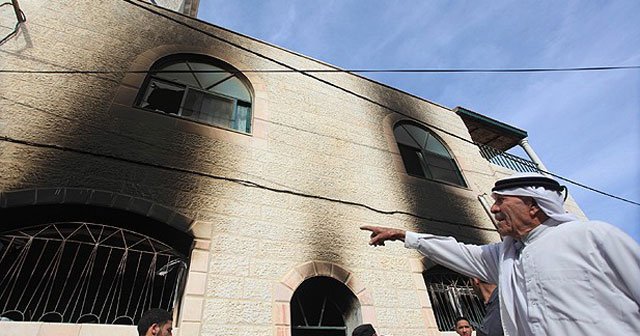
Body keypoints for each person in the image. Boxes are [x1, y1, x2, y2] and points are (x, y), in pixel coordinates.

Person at [361, 172, 640, 335]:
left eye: (501, 201)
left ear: (534, 206)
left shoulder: (592, 236)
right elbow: (457, 252)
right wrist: (404, 235)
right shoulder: (506, 256)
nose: (494, 209)